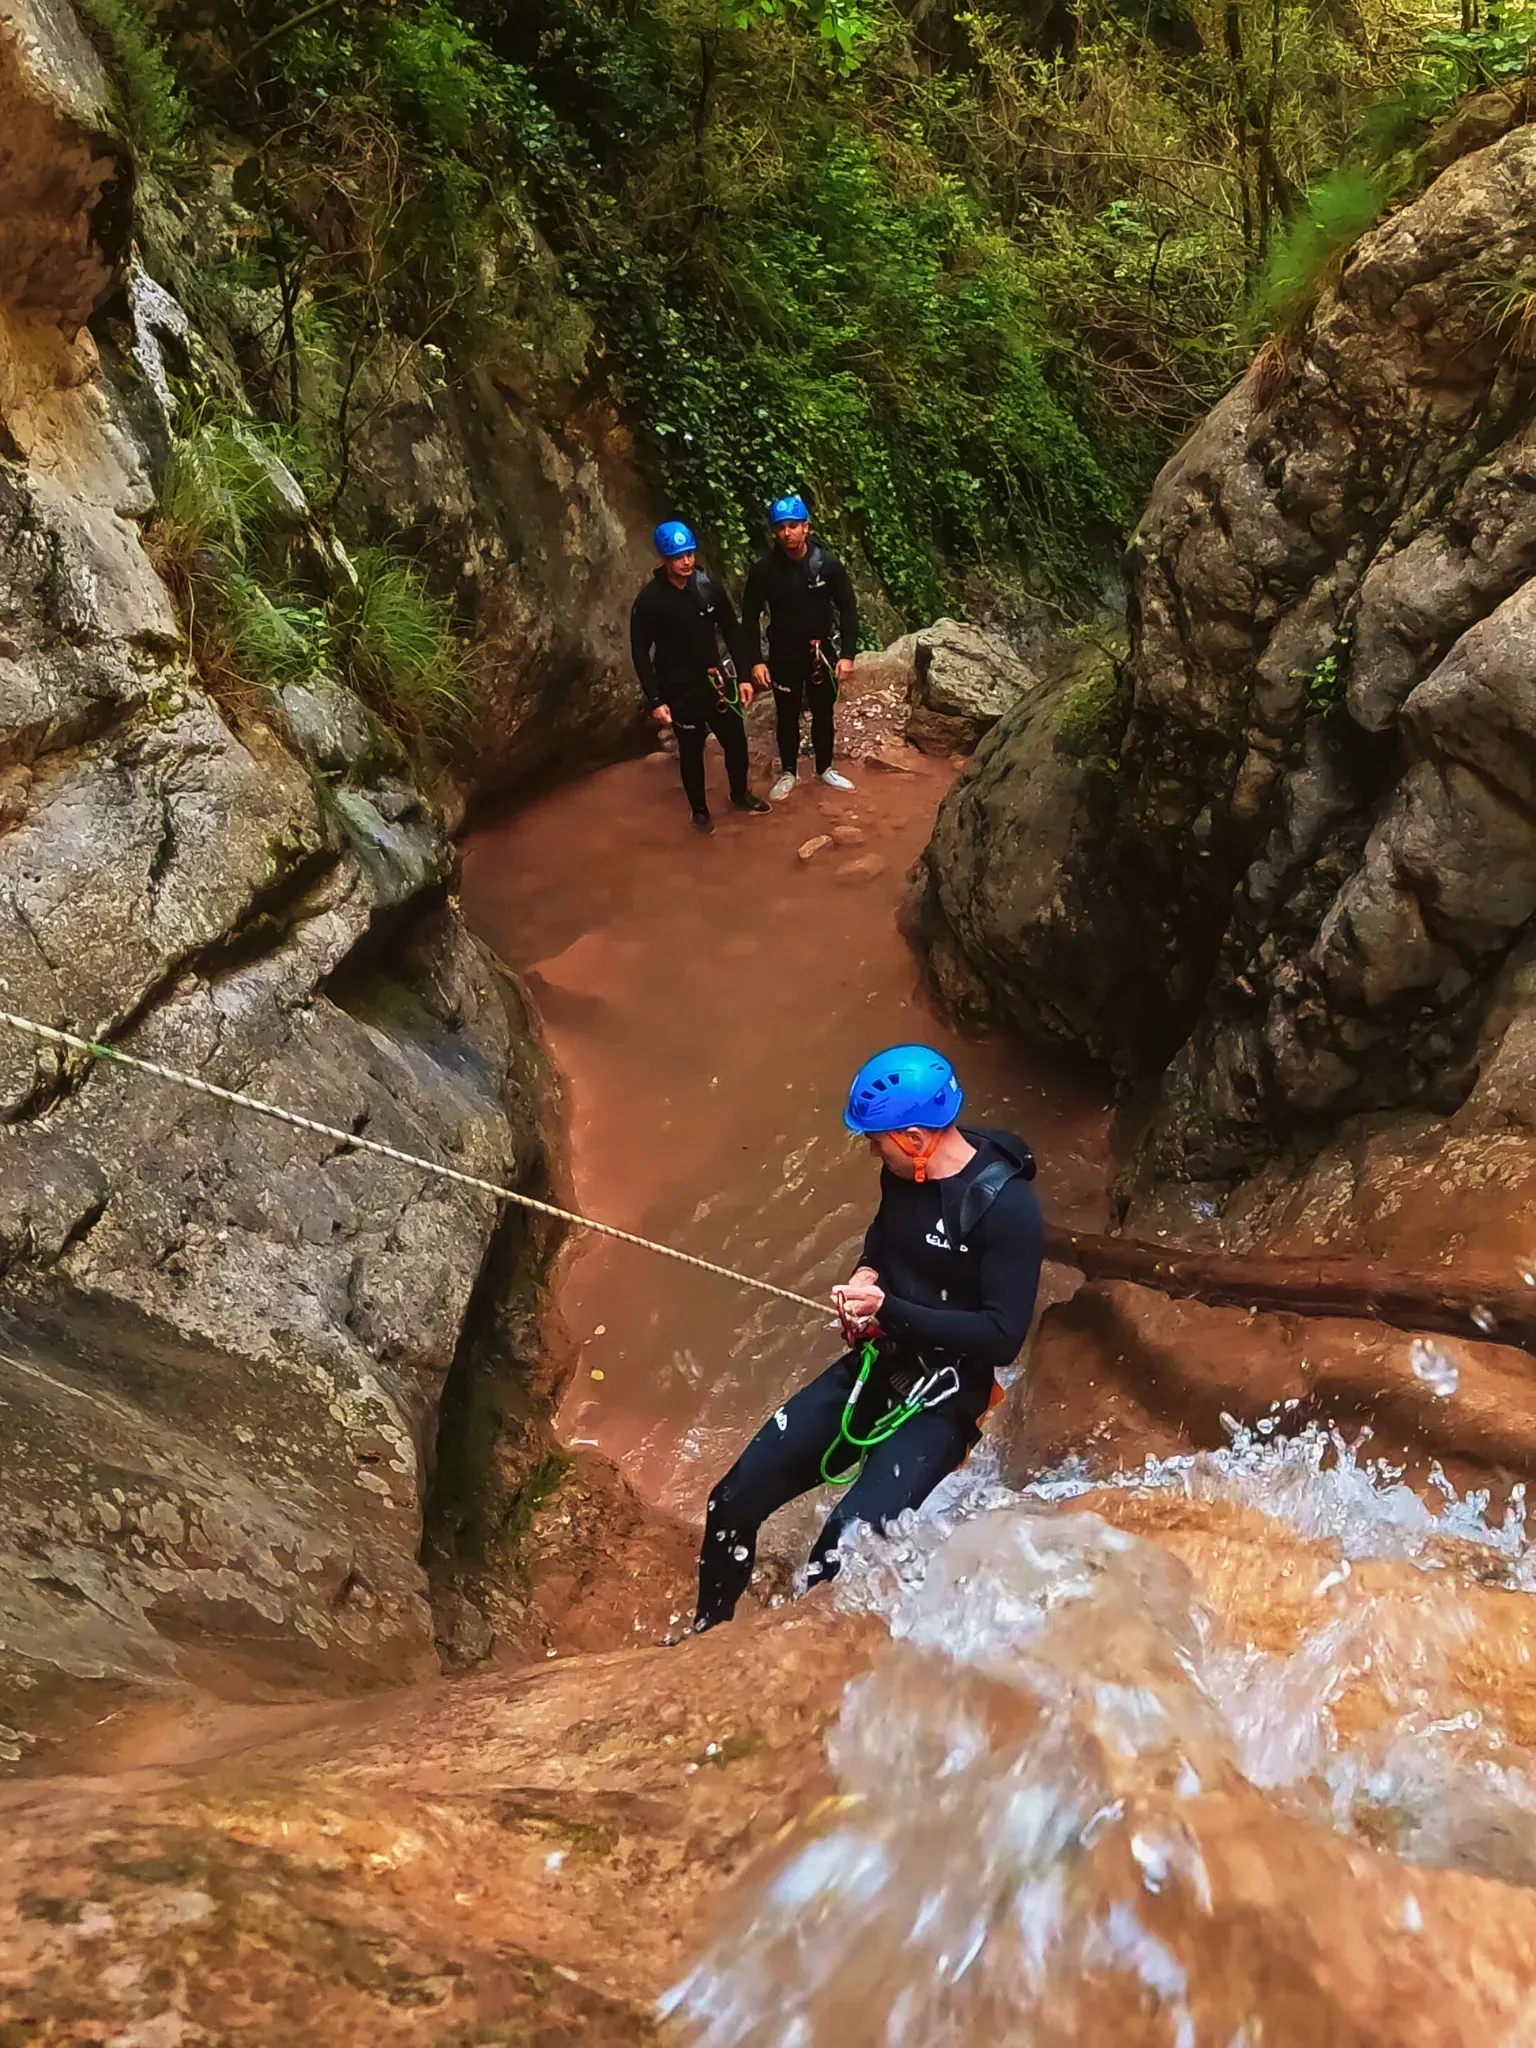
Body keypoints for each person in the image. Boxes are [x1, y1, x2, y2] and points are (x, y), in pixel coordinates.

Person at [692, 1044, 1042, 1632]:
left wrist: (893, 1309)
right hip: (882, 1361)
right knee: (731, 1500)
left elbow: (1003, 1336)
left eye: (875, 1140)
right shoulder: (905, 1170)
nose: (870, 1151)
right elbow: (885, 1238)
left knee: (839, 1549)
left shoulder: (1006, 1208)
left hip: (945, 1394)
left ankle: (810, 1675)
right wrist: (865, 1277)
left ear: (913, 1137)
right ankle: (709, 1634)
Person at [630, 520, 771, 835]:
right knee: (691, 750)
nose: (686, 561)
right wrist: (655, 699)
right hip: (679, 687)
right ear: (664, 559)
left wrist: (745, 675)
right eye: (678, 556)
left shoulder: (708, 588)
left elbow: (732, 631)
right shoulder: (650, 601)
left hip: (716, 681)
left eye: (690, 554)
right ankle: (700, 811)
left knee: (735, 740)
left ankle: (739, 794)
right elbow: (640, 651)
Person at [741, 494, 859, 803]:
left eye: (793, 526)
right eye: (781, 528)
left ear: (806, 528)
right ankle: (789, 772)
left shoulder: (827, 566)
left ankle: (824, 768)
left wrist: (847, 654)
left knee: (822, 713)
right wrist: (755, 661)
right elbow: (750, 618)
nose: (787, 533)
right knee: (787, 713)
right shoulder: (764, 571)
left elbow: (847, 609)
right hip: (783, 653)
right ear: (775, 532)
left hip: (820, 652)